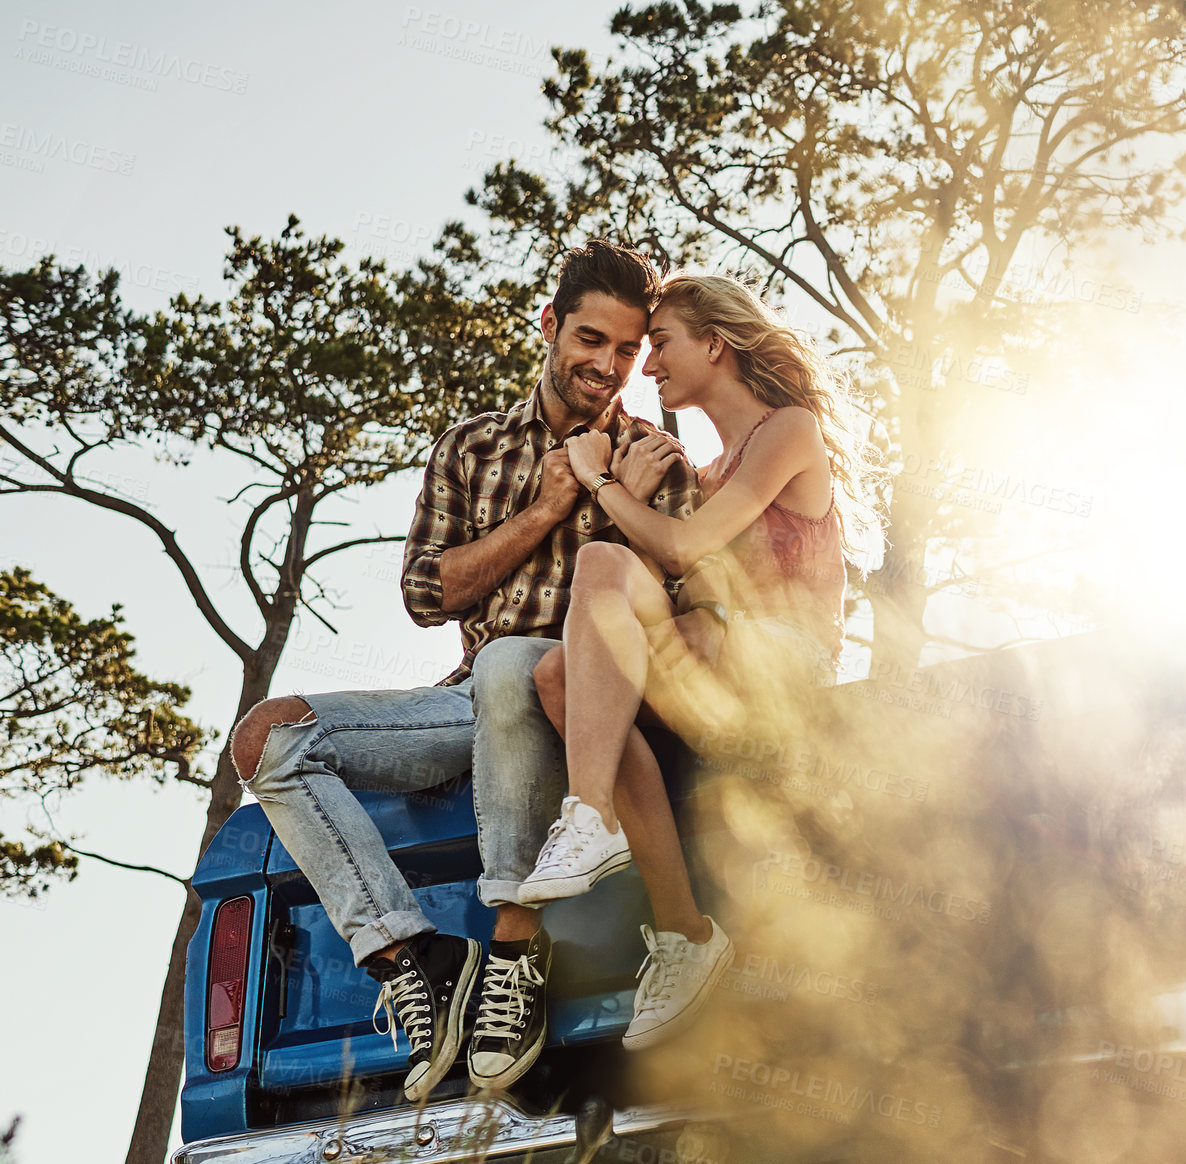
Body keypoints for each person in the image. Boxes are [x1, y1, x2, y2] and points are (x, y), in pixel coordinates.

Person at [227, 240, 703, 1101]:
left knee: (520, 661)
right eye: (591, 339)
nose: (608, 366)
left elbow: (670, 616)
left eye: (629, 351)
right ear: (552, 325)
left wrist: (609, 497)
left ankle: (516, 949)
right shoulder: (472, 447)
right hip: (469, 701)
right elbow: (426, 592)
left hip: (584, 707)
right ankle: (418, 958)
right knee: (270, 740)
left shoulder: (655, 462)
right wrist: (554, 503)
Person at [523, 273, 873, 1049]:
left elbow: (680, 548)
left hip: (785, 670)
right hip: (717, 674)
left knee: (605, 568)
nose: (646, 368)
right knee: (556, 677)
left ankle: (589, 816)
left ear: (714, 343)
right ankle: (684, 931)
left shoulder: (789, 430)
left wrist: (601, 481)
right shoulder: (704, 474)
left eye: (660, 345)